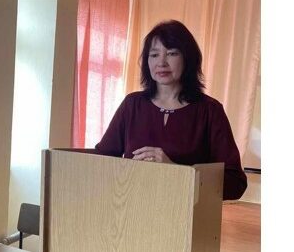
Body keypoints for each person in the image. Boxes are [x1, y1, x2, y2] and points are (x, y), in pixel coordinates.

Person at [95, 20, 247, 200]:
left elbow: (235, 183)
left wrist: (176, 171)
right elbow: (101, 161)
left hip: (185, 213)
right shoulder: (132, 104)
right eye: (154, 54)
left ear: (188, 59)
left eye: (172, 53)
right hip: (129, 209)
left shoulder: (210, 111)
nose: (161, 62)